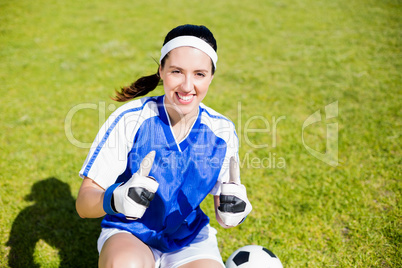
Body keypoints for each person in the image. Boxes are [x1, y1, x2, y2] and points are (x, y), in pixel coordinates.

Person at [76, 24, 252, 268]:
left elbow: (224, 213)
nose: (187, 86)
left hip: (189, 240)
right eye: (177, 71)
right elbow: (84, 204)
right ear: (161, 70)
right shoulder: (131, 118)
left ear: (211, 76)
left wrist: (233, 212)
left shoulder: (222, 132)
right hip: (130, 232)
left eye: (199, 74)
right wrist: (115, 198)